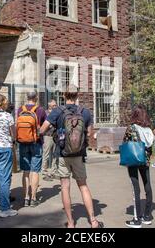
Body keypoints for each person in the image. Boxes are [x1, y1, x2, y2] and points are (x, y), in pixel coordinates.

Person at [39, 86, 103, 228]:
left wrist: (56, 130)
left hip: (62, 154)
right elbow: (89, 134)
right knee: (83, 186)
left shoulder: (57, 111)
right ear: (77, 95)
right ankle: (93, 221)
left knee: (65, 187)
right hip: (79, 154)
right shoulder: (85, 112)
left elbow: (42, 129)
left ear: (64, 95)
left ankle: (70, 223)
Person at [124, 105, 155, 228]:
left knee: (135, 187)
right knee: (147, 184)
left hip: (133, 158)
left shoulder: (131, 128)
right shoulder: (148, 129)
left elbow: (125, 142)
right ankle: (147, 215)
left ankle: (137, 219)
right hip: (145, 160)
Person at [17, 91, 47, 207]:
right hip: (36, 142)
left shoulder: (20, 109)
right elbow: (46, 125)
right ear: (36, 98)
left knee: (25, 171)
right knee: (35, 171)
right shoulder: (40, 110)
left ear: (27, 97)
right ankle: (33, 198)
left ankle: (25, 198)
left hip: (23, 142)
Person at [42, 100, 58, 181]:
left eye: (56, 105)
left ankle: (53, 172)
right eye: (54, 105)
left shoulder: (57, 113)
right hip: (47, 136)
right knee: (46, 154)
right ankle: (44, 172)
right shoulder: (45, 113)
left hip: (56, 136)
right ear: (50, 106)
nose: (56, 106)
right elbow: (43, 124)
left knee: (55, 155)